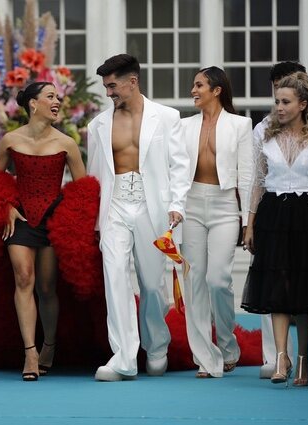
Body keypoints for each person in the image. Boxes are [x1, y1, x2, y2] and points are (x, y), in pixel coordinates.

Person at [87, 54, 191, 381]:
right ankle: (123, 357)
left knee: (151, 281)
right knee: (114, 277)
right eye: (105, 87)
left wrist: (177, 204)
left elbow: (179, 166)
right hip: (115, 205)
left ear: (133, 81)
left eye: (113, 85)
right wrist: (94, 221)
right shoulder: (98, 125)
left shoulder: (167, 117)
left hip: (152, 206)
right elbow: (94, 174)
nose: (109, 93)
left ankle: (156, 345)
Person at [241, 72, 308, 387]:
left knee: (303, 291)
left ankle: (302, 358)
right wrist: (250, 223)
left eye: (285, 102)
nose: (279, 107)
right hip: (272, 214)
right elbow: (257, 181)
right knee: (276, 287)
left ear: (303, 104)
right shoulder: (265, 136)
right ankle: (281, 357)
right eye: (277, 102)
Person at [0, 81, 87, 381]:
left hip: (54, 221)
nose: (58, 101)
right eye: (51, 96)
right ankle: (29, 352)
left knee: (46, 286)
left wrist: (75, 225)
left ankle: (50, 345)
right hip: (19, 218)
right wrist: (5, 205)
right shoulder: (9, 140)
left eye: (58, 97)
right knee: (24, 277)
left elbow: (83, 191)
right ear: (33, 103)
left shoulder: (67, 143)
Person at [180, 66, 251, 378]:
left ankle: (227, 345)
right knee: (194, 280)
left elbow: (247, 175)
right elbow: (174, 171)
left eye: (199, 85)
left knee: (218, 279)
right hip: (191, 204)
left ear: (217, 89)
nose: (193, 91)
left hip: (225, 207)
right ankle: (205, 357)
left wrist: (249, 220)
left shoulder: (240, 125)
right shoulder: (183, 127)